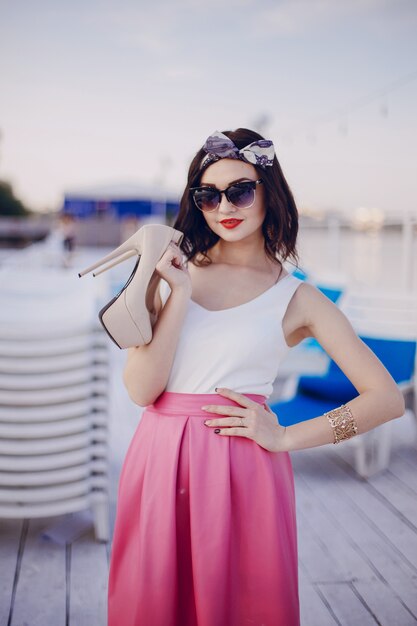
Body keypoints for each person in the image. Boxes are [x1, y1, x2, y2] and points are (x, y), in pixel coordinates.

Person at [107, 128, 405, 626]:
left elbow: (386, 399)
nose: (225, 204)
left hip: (243, 470)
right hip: (158, 461)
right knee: (152, 604)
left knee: (243, 606)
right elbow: (141, 391)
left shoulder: (298, 298)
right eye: (208, 195)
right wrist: (178, 295)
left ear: (271, 193)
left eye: (240, 190)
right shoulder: (170, 273)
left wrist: (287, 436)